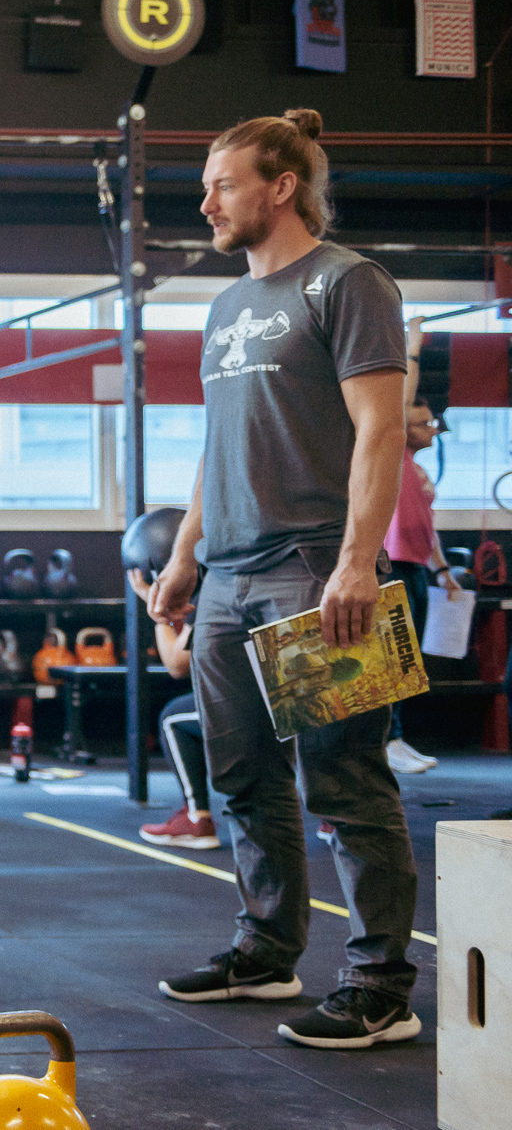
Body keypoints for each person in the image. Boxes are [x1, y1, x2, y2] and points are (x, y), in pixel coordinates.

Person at [148, 109, 422, 1050]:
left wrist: (357, 561)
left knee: (344, 782)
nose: (206, 203)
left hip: (313, 567)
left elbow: (380, 430)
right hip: (228, 575)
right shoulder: (227, 307)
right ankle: (266, 953)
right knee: (240, 782)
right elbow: (219, 443)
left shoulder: (348, 283)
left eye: (222, 185)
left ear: (281, 186)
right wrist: (186, 555)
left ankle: (381, 986)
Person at [378, 316, 460, 774]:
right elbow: (397, 402)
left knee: (407, 660)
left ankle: (397, 736)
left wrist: (442, 569)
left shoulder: (419, 470)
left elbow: (428, 529)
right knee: (392, 656)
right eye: (423, 423)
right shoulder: (391, 453)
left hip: (416, 568)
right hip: (389, 568)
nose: (433, 429)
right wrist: (412, 345)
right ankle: (386, 740)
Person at [128, 568, 216, 850]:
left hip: (258, 705)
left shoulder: (219, 587)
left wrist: (159, 613)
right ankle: (331, 815)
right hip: (301, 698)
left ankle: (196, 818)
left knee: (173, 718)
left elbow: (177, 664)